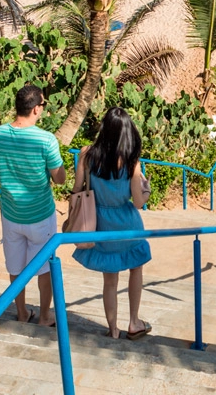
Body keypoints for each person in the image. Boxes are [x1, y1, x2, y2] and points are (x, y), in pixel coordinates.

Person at [0, 85, 66, 326]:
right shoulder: (46, 139)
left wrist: (11, 174)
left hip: (10, 213)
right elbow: (59, 179)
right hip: (40, 213)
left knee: (15, 266)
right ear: (37, 108)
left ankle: (21, 312)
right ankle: (44, 316)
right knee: (44, 268)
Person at [72, 108, 153, 340]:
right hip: (127, 224)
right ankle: (134, 322)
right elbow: (138, 202)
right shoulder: (131, 161)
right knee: (135, 268)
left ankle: (113, 328)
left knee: (110, 280)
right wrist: (146, 189)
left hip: (100, 224)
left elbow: (77, 189)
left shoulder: (87, 154)